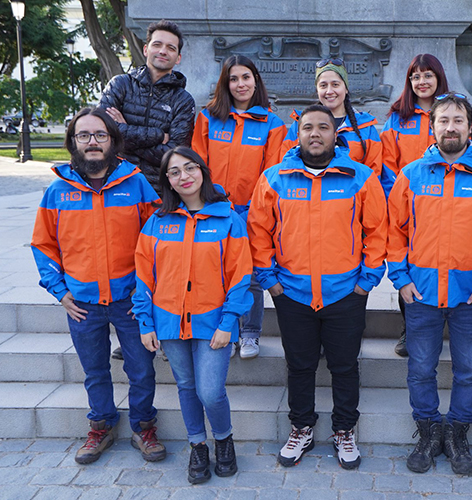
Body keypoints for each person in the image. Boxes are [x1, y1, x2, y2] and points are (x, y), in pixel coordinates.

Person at [387, 92, 472, 476]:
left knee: (469, 369)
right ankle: (428, 430)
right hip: (421, 293)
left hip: (471, 296)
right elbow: (393, 232)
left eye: (458, 120)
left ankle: (458, 432)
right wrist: (401, 279)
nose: (451, 127)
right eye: (443, 120)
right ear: (433, 128)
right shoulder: (411, 175)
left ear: (469, 126)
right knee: (420, 368)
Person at [249, 104, 388, 470]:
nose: (315, 133)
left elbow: (377, 231)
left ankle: (344, 430)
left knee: (344, 366)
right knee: (300, 365)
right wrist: (270, 281)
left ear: (334, 134)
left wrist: (366, 282)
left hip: (345, 293)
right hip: (292, 293)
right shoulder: (275, 178)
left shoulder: (360, 177)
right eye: (308, 127)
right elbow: (258, 232)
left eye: (323, 127)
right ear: (298, 134)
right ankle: (302, 427)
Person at [31, 107, 164, 465]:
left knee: (141, 368)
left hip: (130, 299)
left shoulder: (136, 183)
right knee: (94, 369)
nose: (92, 142)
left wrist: (147, 288)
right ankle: (102, 425)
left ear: (112, 141)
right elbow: (43, 245)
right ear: (73, 142)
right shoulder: (58, 191)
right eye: (84, 135)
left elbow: (157, 238)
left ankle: (143, 426)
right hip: (82, 303)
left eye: (100, 135)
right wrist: (59, 291)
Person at [133, 146, 253, 484]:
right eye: (174, 172)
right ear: (167, 181)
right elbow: (143, 276)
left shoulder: (228, 219)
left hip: (213, 320)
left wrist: (229, 322)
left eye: (190, 168)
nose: (183, 176)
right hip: (168, 321)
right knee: (186, 386)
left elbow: (241, 275)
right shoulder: (157, 221)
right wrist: (145, 321)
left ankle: (224, 439)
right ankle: (197, 445)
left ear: (203, 171)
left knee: (210, 391)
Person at [192, 54, 287, 360]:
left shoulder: (272, 124)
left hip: (252, 212)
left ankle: (250, 333)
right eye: (233, 79)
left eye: (246, 77)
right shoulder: (208, 118)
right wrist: (208, 204)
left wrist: (257, 213)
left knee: (253, 275)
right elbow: (198, 164)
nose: (240, 84)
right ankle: (227, 331)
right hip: (214, 209)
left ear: (256, 81)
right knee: (218, 273)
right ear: (225, 84)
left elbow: (271, 174)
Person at [380, 53, 449, 357]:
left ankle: (445, 327)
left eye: (428, 75)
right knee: (408, 266)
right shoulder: (398, 117)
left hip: (448, 202)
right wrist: (403, 196)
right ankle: (410, 330)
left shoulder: (451, 110)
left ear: (438, 78)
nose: (422, 82)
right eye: (416, 77)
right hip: (408, 204)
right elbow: (387, 163)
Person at [100, 19, 196, 189]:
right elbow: (103, 134)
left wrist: (124, 133)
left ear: (178, 58)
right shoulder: (120, 85)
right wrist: (157, 135)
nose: (163, 51)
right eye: (157, 44)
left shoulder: (183, 101)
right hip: (115, 184)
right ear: (146, 49)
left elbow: (174, 155)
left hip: (159, 192)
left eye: (171, 48)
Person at [281, 59, 382, 180]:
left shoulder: (366, 127)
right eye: (323, 85)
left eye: (335, 84)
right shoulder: (300, 125)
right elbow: (285, 167)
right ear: (317, 90)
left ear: (346, 88)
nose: (329, 91)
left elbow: (374, 176)